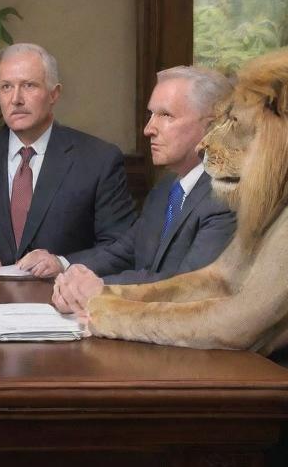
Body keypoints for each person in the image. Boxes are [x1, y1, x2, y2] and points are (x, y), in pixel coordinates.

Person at [0, 43, 136, 277]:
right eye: (6, 87)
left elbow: (120, 247)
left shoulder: (98, 160)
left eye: (29, 86)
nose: (16, 99)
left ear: (54, 94)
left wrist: (62, 263)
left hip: (61, 304)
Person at [52, 65, 235, 315]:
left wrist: (99, 287)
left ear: (211, 127)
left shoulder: (225, 196)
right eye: (151, 115)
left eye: (166, 116)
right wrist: (64, 266)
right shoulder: (164, 190)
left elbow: (188, 284)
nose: (149, 129)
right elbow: (123, 252)